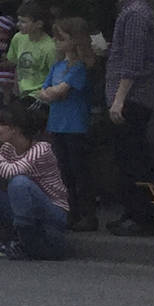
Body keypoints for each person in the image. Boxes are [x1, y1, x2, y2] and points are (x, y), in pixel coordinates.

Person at [0, 101, 69, 260]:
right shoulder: (7, 148)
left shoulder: (41, 149)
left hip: (51, 211)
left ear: (16, 128)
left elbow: (11, 172)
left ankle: (23, 239)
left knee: (19, 182)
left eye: (1, 124)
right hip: (21, 206)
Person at [103, 0, 154, 236]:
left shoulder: (135, 13)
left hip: (133, 99)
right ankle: (131, 212)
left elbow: (134, 62)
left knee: (134, 158)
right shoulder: (126, 12)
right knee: (125, 158)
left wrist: (119, 99)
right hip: (127, 98)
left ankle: (142, 216)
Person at [40, 16, 95, 231]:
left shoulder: (80, 67)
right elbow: (44, 91)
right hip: (57, 125)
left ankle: (87, 215)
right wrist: (52, 92)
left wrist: (53, 92)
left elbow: (61, 91)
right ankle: (70, 212)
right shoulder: (58, 66)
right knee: (63, 172)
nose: (57, 43)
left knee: (79, 172)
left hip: (76, 126)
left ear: (75, 40)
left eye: (61, 38)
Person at [7, 0, 56, 104]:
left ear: (38, 24)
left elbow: (55, 76)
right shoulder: (18, 38)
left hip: (39, 96)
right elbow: (16, 64)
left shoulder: (49, 47)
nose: (18, 24)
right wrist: (15, 90)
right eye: (18, 20)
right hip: (21, 93)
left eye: (23, 22)